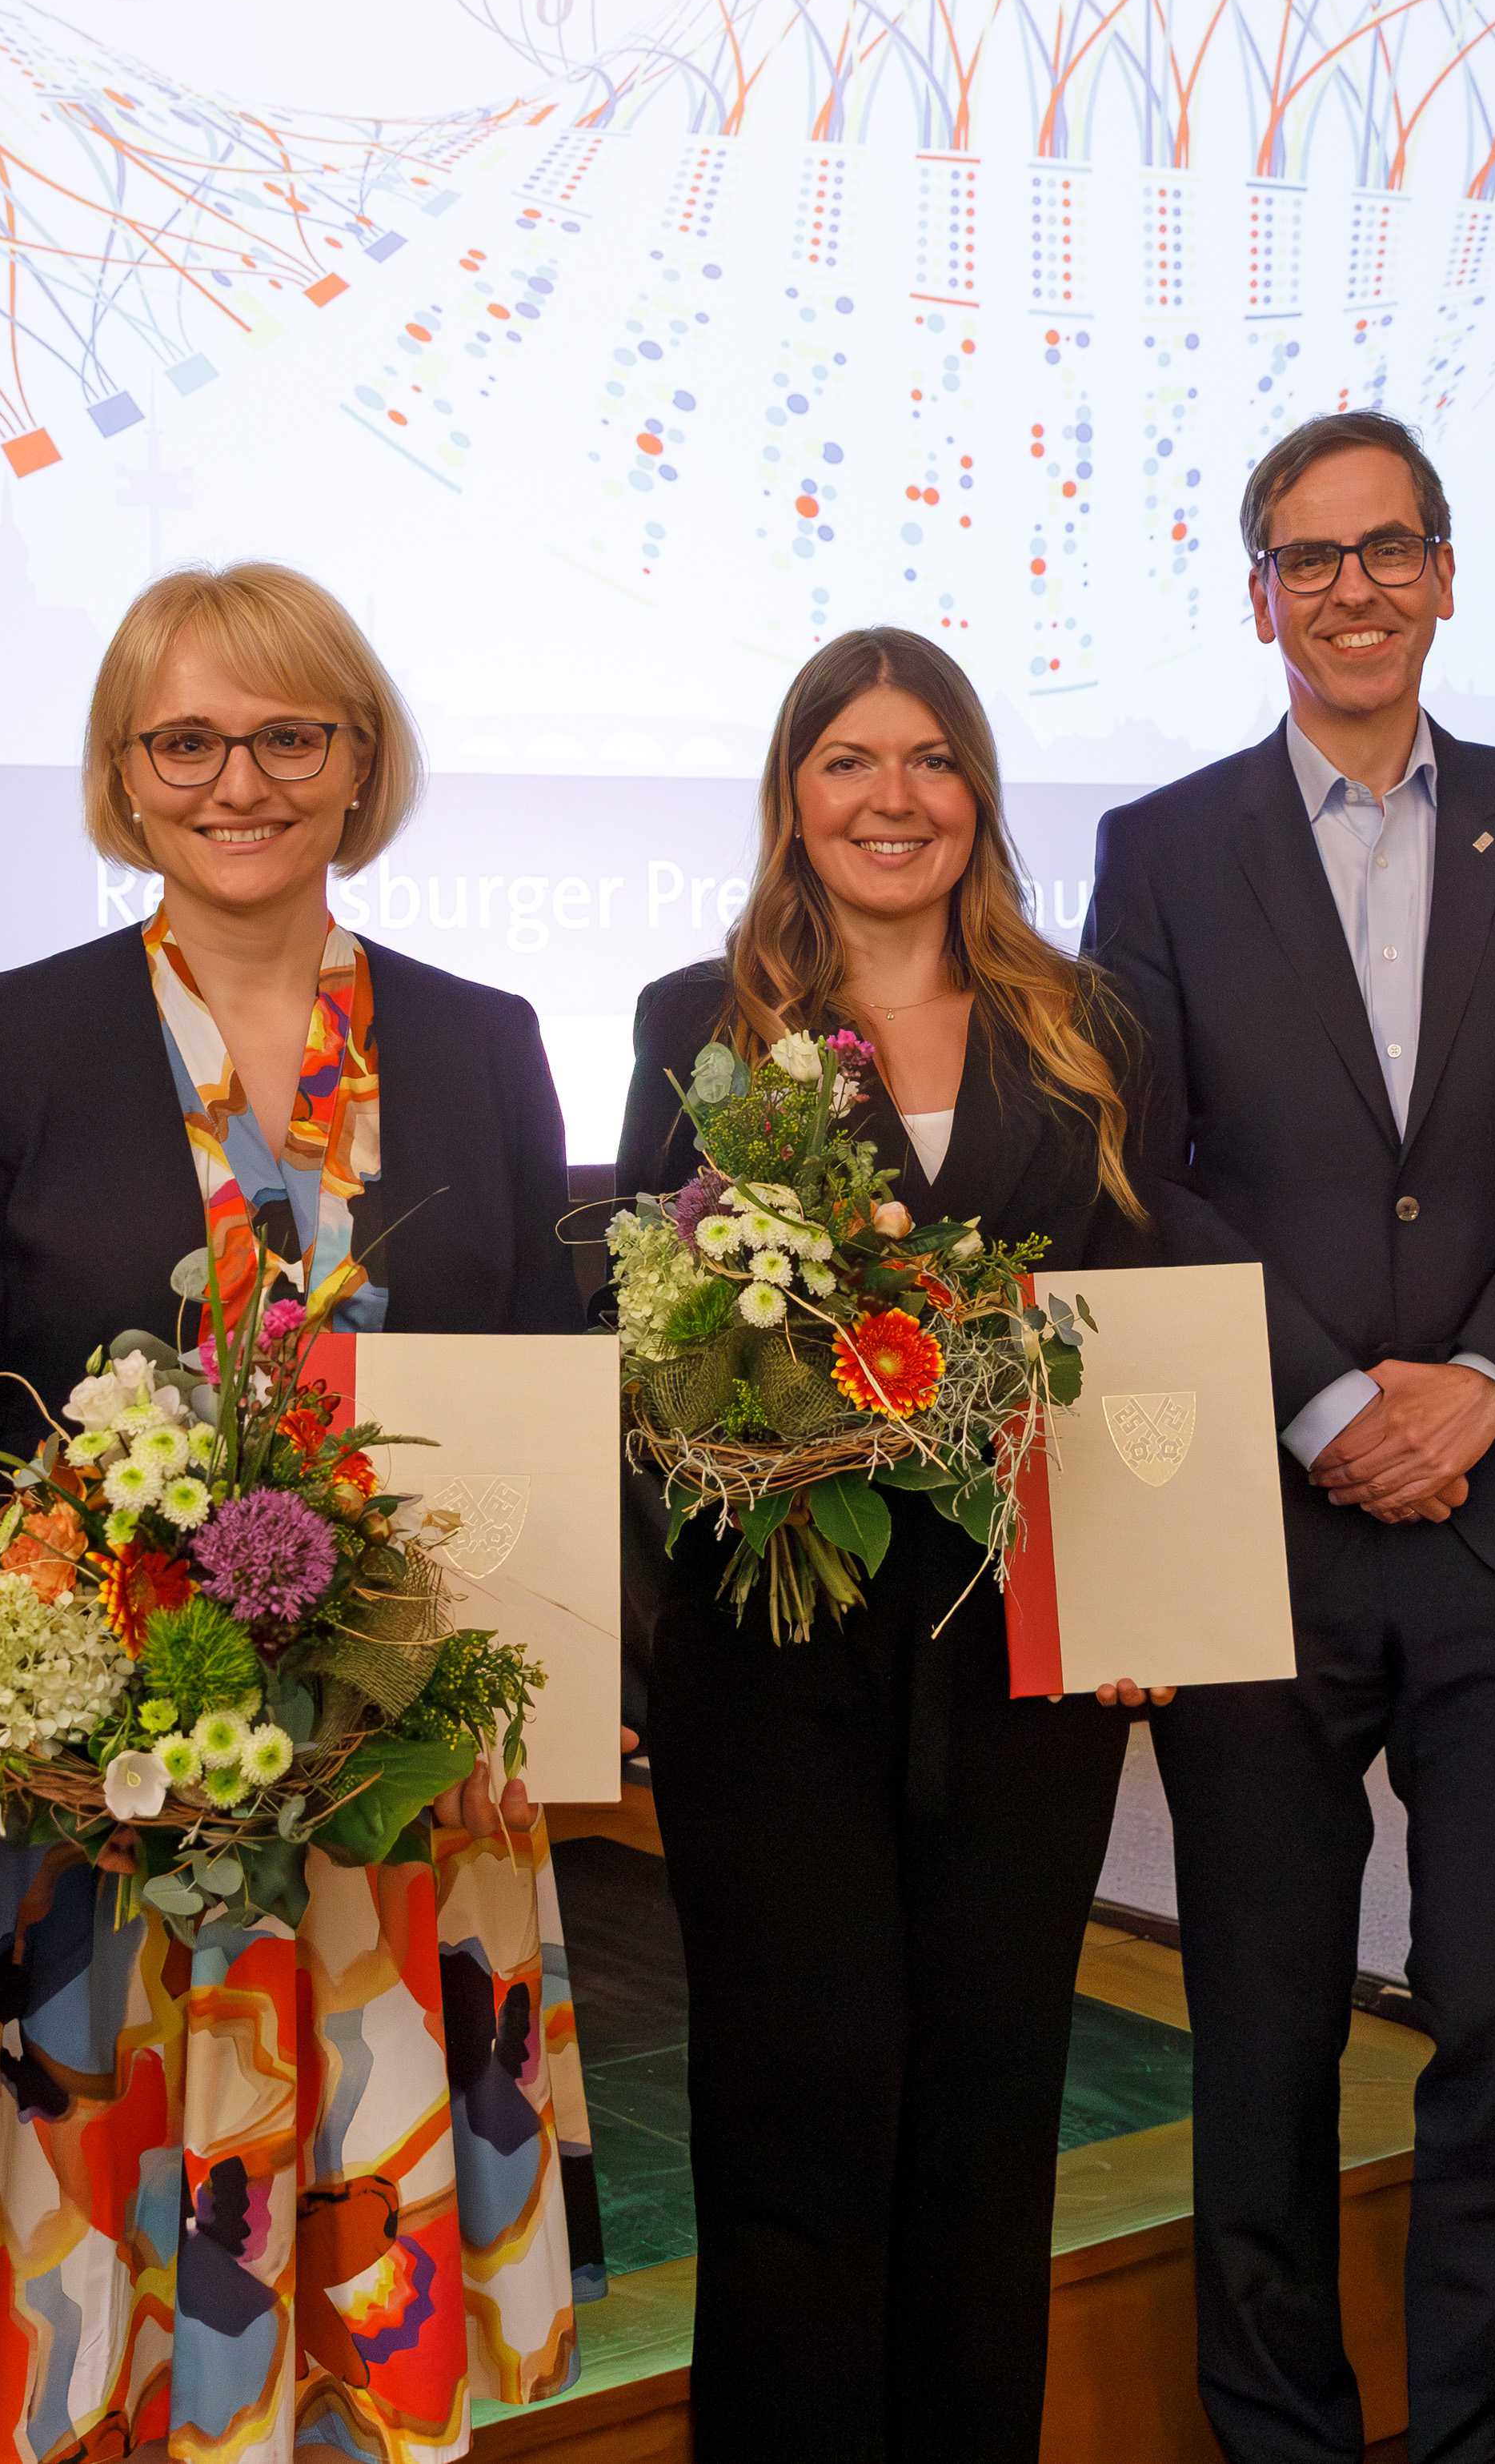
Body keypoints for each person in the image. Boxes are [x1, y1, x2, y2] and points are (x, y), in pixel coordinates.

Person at [0, 560, 593, 2462]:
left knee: (372, 2303)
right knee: (99, 2332)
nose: (239, 777)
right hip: (104, 1826)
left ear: (360, 762)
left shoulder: (484, 1037)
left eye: (290, 733)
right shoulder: (9, 1043)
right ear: (124, 772)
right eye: (185, 738)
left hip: (406, 1800)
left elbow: (540, 1380)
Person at [1086, 409, 1495, 2464]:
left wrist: (1485, 1382)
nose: (1351, 586)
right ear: (1260, 593)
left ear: (1445, 571)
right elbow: (1137, 1168)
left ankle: (1484, 2440)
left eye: (1387, 547)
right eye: (1307, 555)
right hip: (1270, 1525)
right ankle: (1280, 2438)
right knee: (1258, 2032)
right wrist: (1334, 1391)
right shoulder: (1160, 849)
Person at [616, 628, 1173, 2464]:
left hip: (1022, 1657)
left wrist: (1161, 1583)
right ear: (795, 792)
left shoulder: (1084, 1026)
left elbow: (1142, 1320)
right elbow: (646, 1338)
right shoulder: (694, 1024)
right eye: (849, 758)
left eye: (931, 758)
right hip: (768, 1662)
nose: (893, 796)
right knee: (797, 2108)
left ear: (980, 794)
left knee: (991, 2112)